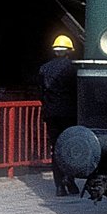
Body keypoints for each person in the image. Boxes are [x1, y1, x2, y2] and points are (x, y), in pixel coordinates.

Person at [40, 34, 80, 195]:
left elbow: (41, 92)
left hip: (51, 113)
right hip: (69, 113)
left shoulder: (44, 69)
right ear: (69, 51)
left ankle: (59, 187)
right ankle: (70, 182)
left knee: (55, 148)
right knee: (70, 147)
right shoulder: (74, 69)